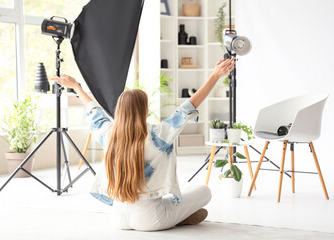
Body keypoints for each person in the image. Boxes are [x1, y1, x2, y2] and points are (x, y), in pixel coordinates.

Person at [51, 57, 235, 231]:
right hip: (151, 218)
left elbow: (93, 110)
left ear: (120, 111)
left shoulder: (108, 134)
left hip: (118, 218)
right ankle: (178, 217)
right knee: (204, 191)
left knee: (183, 196)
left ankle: (178, 216)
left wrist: (76, 86)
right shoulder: (158, 134)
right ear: (144, 110)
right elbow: (187, 108)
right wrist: (214, 76)